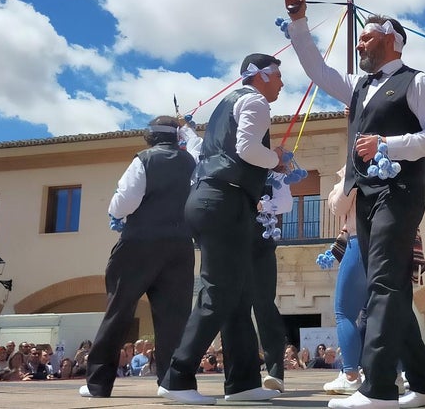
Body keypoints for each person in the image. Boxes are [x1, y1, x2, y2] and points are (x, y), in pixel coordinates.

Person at [286, 0, 425, 409]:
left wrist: (387, 144)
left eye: (367, 36)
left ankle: (378, 389)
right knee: (391, 286)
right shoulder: (359, 86)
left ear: (392, 39)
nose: (359, 43)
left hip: (400, 192)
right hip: (368, 198)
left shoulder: (417, 81)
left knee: (382, 285)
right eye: (358, 38)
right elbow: (318, 70)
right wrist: (299, 22)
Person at [160, 53, 287, 405]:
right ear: (264, 76)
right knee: (218, 292)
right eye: (279, 76)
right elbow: (248, 149)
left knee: (238, 294)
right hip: (224, 201)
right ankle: (177, 377)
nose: (282, 83)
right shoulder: (256, 101)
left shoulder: (225, 106)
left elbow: (226, 149)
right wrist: (277, 159)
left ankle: (243, 383)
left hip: (214, 200)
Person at [79, 115, 198, 399]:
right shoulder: (192, 161)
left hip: (139, 244)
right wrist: (188, 130)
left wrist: (116, 213)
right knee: (175, 318)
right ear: (177, 137)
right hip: (180, 245)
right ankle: (174, 384)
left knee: (118, 311)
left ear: (150, 137)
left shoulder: (144, 160)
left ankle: (98, 384)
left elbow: (123, 202)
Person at [249, 168, 294, 393]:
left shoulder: (274, 173)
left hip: (261, 245)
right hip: (231, 242)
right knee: (233, 307)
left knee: (264, 304)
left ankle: (275, 372)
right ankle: (243, 376)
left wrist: (262, 205)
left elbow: (286, 203)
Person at [323, 166, 365, 396]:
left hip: (360, 242)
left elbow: (338, 206)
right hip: (389, 245)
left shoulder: (355, 168)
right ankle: (394, 375)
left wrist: (344, 179)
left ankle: (350, 376)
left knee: (345, 313)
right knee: (382, 312)